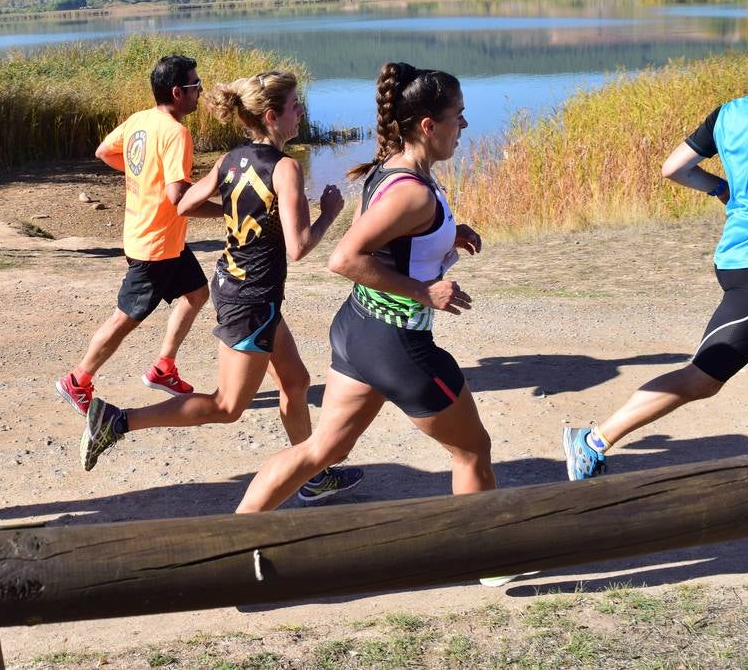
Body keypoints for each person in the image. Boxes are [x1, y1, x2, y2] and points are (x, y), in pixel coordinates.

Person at [78, 70, 364, 499]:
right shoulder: (284, 169)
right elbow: (299, 247)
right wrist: (329, 212)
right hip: (250, 299)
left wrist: (237, 211)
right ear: (272, 116)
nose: (300, 112)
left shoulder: (233, 159)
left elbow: (186, 204)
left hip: (242, 288)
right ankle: (116, 421)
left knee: (296, 383)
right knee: (227, 407)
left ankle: (312, 476)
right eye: (294, 107)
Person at [564, 14, 748, 480]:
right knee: (704, 377)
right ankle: (595, 438)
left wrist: (720, 190)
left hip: (740, 260)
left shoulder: (729, 112)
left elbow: (673, 168)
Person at [234, 62, 496, 517]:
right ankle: (490, 559)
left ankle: (234, 539)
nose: (465, 125)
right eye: (459, 116)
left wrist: (445, 234)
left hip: (359, 332)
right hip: (398, 344)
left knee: (322, 450)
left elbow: (387, 240)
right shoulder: (412, 192)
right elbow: (346, 258)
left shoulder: (389, 169)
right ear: (429, 125)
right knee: (472, 450)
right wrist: (424, 292)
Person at [55, 55, 222, 414]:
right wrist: (228, 211)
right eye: (195, 86)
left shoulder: (140, 120)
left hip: (157, 238)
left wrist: (143, 174)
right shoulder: (177, 132)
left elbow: (104, 151)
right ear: (178, 92)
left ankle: (164, 368)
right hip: (155, 245)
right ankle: (77, 380)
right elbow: (181, 200)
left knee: (196, 293)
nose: (200, 91)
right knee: (124, 317)